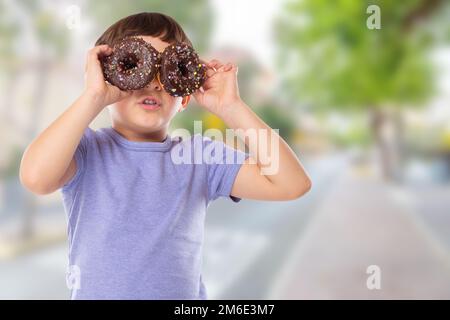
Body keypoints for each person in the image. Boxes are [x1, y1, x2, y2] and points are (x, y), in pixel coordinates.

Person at [19, 12, 311, 299]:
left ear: (184, 95)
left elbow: (291, 184)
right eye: (134, 67)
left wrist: (232, 108)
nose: (155, 82)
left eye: (168, 72)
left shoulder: (201, 157)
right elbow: (35, 178)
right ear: (106, 79)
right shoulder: (85, 149)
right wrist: (92, 97)